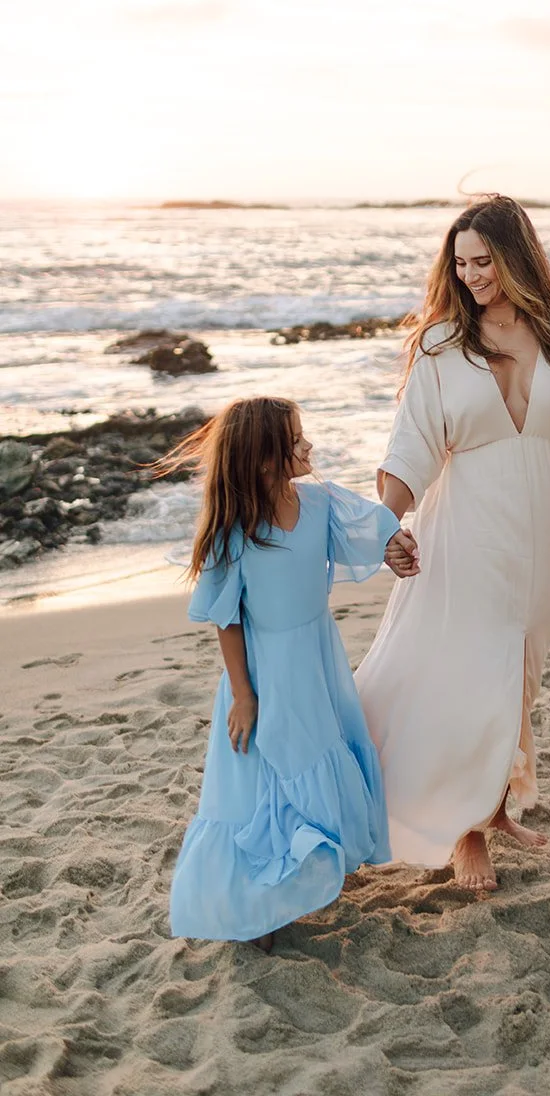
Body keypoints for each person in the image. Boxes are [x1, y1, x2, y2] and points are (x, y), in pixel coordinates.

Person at [356, 195, 550, 892]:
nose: (470, 276)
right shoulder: (440, 343)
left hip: (546, 530)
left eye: (483, 262)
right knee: (472, 670)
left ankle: (493, 807)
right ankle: (465, 833)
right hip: (466, 529)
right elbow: (410, 450)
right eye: (460, 264)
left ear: (516, 258)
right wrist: (385, 524)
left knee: (517, 671)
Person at [164, 397, 419, 951]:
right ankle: (262, 906)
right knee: (269, 775)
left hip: (317, 658)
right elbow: (227, 618)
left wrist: (395, 542)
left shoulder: (320, 502)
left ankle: (310, 876)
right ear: (262, 459)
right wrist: (243, 694)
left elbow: (372, 526)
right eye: (297, 439)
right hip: (266, 670)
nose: (308, 447)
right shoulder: (237, 530)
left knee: (319, 752)